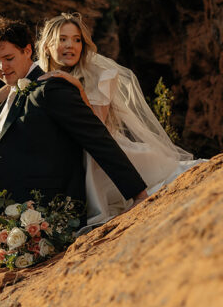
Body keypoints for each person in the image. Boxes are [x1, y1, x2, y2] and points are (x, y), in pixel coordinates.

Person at [0, 16, 147, 254]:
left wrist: (137, 193)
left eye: (8, 58)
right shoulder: (11, 92)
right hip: (7, 182)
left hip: (39, 193)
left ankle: (5, 249)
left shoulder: (51, 88)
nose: (2, 67)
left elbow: (97, 138)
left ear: (28, 51)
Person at [30, 12, 203, 226]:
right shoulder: (35, 78)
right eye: (62, 39)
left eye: (77, 40)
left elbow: (97, 130)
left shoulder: (100, 76)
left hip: (102, 156)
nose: (71, 46)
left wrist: (75, 86)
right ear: (47, 45)